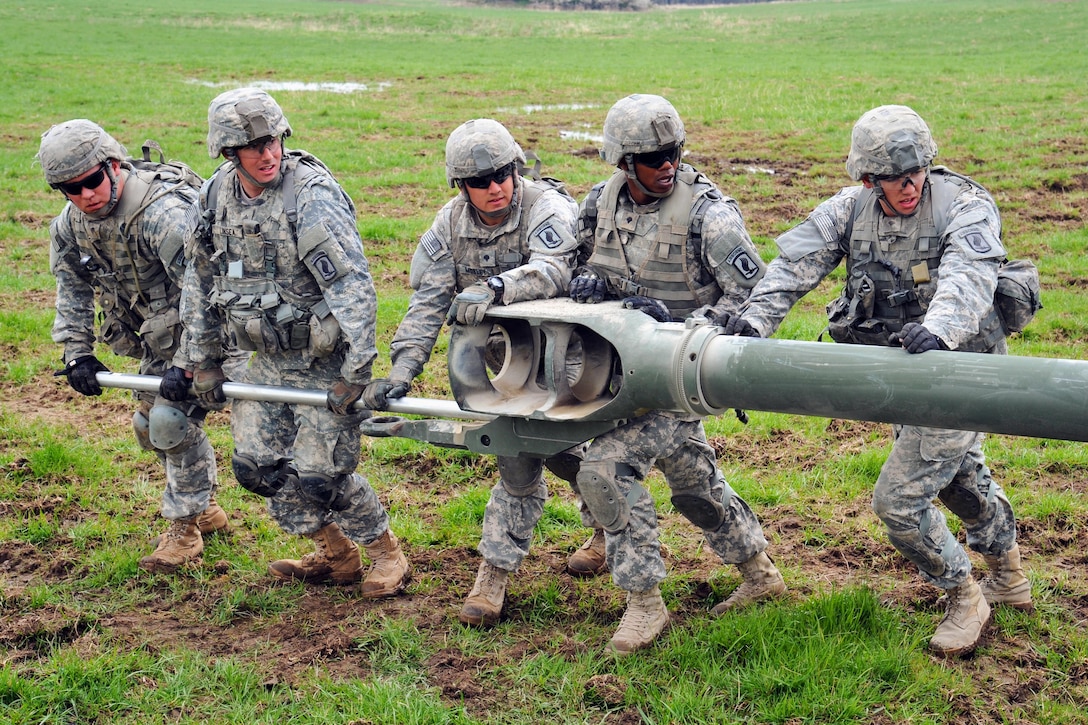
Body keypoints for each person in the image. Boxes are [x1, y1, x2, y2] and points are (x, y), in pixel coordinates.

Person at [720, 104, 1031, 657]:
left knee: (901, 499)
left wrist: (938, 330)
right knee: (957, 478)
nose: (908, 186)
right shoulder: (849, 209)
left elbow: (969, 274)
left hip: (960, 370)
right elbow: (794, 267)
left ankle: (964, 594)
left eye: (915, 173)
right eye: (892, 177)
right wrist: (753, 320)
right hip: (901, 372)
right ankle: (1007, 572)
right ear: (868, 178)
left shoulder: (965, 205)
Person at [362, 118, 607, 627]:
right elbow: (427, 302)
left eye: (502, 174)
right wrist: (402, 371)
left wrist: (496, 288)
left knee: (578, 456)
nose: (495, 188)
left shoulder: (546, 209)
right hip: (510, 367)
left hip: (574, 358)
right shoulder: (449, 226)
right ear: (460, 185)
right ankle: (492, 579)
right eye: (480, 181)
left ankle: (606, 535)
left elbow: (553, 268)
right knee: (520, 458)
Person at [170, 87, 409, 597]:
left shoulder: (310, 196)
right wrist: (202, 360)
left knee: (324, 478)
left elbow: (353, 288)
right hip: (268, 359)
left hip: (324, 361)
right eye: (252, 146)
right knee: (258, 469)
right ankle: (335, 552)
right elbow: (198, 280)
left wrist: (357, 374)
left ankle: (386, 552)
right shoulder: (214, 199)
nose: (267, 153)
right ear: (229, 153)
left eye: (273, 139)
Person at [569, 94, 785, 654]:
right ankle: (760, 573)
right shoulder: (600, 204)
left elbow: (755, 295)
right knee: (692, 483)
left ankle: (645, 603)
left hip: (680, 378)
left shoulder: (710, 216)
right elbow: (573, 264)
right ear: (623, 163)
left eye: (673, 153)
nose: (667, 165)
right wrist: (586, 283)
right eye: (652, 157)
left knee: (606, 469)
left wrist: (686, 324)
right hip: (616, 375)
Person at [38, 119, 237, 574]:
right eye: (71, 189)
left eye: (91, 181)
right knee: (149, 426)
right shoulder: (72, 226)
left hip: (220, 329)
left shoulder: (162, 215)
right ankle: (204, 510)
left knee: (175, 421)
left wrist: (190, 363)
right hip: (163, 334)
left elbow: (208, 290)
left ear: (113, 166)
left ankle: (185, 530)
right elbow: (71, 289)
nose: (85, 195)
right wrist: (77, 352)